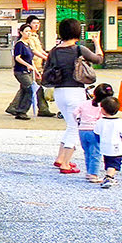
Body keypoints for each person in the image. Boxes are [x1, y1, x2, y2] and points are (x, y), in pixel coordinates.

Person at [46, 18, 104, 173]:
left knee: (70, 124)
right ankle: (65, 163)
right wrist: (97, 44)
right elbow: (99, 59)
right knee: (75, 127)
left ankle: (60, 158)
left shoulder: (54, 50)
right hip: (75, 91)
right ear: (77, 31)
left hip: (59, 92)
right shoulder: (79, 49)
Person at [76, 83, 113, 184]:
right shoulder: (103, 107)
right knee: (96, 153)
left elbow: (75, 113)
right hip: (95, 131)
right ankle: (94, 174)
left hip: (82, 130)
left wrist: (79, 120)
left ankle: (89, 172)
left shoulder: (85, 103)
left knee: (87, 152)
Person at [96, 96, 122, 189]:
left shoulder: (100, 122)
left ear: (102, 109)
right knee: (113, 163)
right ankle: (109, 177)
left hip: (105, 146)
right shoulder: (119, 122)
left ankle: (109, 176)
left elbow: (96, 133)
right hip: (117, 147)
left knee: (108, 162)